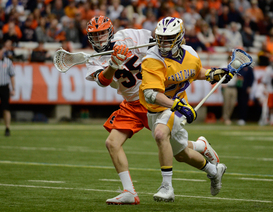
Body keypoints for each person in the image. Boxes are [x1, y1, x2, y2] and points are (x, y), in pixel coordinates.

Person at [84, 16, 221, 205]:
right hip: (131, 104)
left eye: (101, 33)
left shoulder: (130, 36)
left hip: (154, 98)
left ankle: (200, 147)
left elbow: (158, 42)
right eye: (94, 35)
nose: (99, 38)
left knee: (178, 152)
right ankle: (129, 192)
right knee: (112, 143)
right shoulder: (92, 59)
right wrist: (113, 64)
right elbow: (102, 81)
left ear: (110, 31)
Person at [139, 17, 232, 202]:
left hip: (175, 105)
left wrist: (213, 74)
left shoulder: (189, 53)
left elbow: (195, 72)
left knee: (160, 134)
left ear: (180, 37)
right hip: (161, 106)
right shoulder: (152, 58)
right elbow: (151, 94)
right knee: (181, 154)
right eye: (161, 38)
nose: (163, 43)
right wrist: (175, 104)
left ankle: (167, 187)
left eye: (169, 38)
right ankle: (213, 168)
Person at [0, 44, 15, 136]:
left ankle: (7, 128)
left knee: (6, 108)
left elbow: (12, 76)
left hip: (4, 87)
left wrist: (14, 88)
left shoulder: (8, 62)